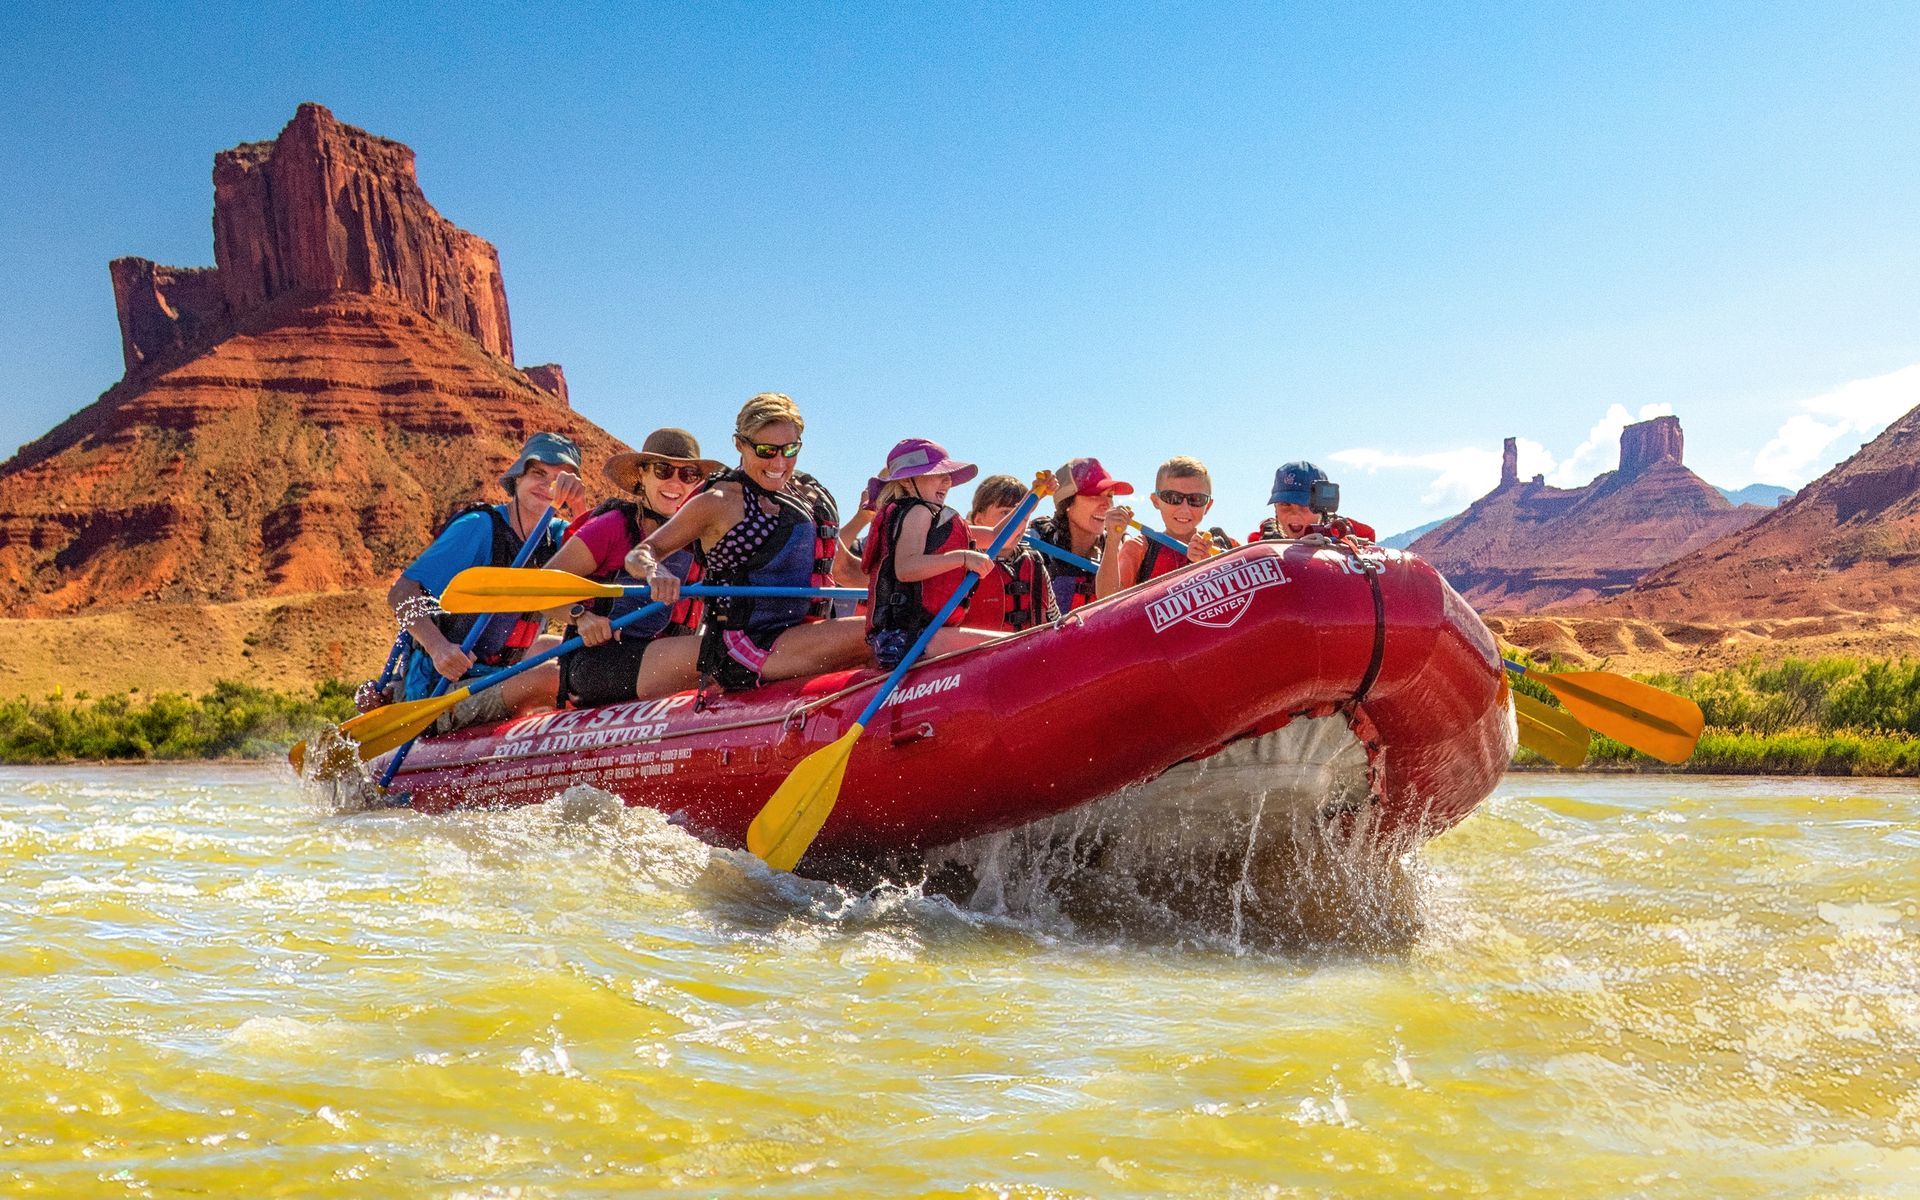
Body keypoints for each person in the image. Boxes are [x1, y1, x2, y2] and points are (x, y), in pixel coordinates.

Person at [623, 393, 867, 697]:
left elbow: (845, 569)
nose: (779, 462)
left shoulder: (804, 496)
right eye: (766, 451)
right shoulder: (720, 501)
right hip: (746, 648)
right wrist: (654, 571)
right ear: (740, 444)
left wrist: (908, 587)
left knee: (901, 627)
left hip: (805, 634)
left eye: (790, 449)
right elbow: (641, 553)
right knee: (879, 634)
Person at [387, 432, 588, 732]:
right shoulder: (479, 527)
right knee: (553, 678)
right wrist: (439, 648)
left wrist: (580, 505)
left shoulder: (558, 536)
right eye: (538, 474)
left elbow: (599, 570)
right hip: (440, 690)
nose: (547, 485)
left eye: (560, 479)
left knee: (581, 654)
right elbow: (401, 593)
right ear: (518, 478)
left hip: (500, 674)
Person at [543, 428, 720, 708]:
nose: (675, 482)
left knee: (738, 649)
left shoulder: (703, 540)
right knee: (723, 654)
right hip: (596, 665)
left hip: (662, 662)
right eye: (663, 470)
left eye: (688, 474)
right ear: (643, 474)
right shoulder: (613, 526)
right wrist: (581, 617)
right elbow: (541, 588)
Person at [861, 439, 998, 667]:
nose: (947, 481)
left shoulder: (931, 518)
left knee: (1006, 643)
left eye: (947, 475)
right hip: (905, 640)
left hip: (907, 636)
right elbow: (905, 569)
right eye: (937, 474)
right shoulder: (918, 511)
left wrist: (1035, 496)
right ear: (906, 481)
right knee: (1007, 644)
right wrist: (963, 557)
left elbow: (996, 535)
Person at [1094, 455, 1233, 598]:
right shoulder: (1140, 549)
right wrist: (1113, 540)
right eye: (1173, 497)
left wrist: (1214, 565)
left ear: (1208, 506)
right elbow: (1106, 598)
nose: (1185, 508)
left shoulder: (1225, 546)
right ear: (1156, 501)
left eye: (1196, 499)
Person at [1028, 457, 1132, 614]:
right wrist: (1031, 499)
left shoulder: (1120, 543)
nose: (1106, 504)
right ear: (1067, 503)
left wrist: (1113, 541)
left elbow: (1110, 602)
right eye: (1094, 495)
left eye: (1110, 496)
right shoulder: (1037, 539)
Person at [961, 474, 1060, 633]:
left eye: (1020, 514)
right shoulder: (965, 564)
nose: (1017, 521)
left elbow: (1054, 617)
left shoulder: (1035, 561)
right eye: (1006, 513)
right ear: (979, 521)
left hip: (1031, 648)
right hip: (981, 649)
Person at [1251, 460, 1377, 542]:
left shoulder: (1347, 535)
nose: (1294, 513)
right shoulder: (1260, 544)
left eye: (1304, 504)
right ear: (1275, 507)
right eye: (1285, 504)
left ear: (1321, 508)